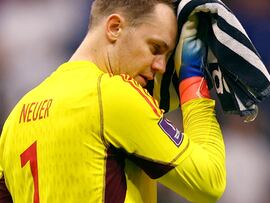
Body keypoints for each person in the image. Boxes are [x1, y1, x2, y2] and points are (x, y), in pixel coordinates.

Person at [0, 0, 226, 202]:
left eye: (167, 56)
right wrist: (192, 78)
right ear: (115, 27)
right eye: (155, 48)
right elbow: (210, 182)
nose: (161, 67)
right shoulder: (112, 94)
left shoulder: (15, 119)